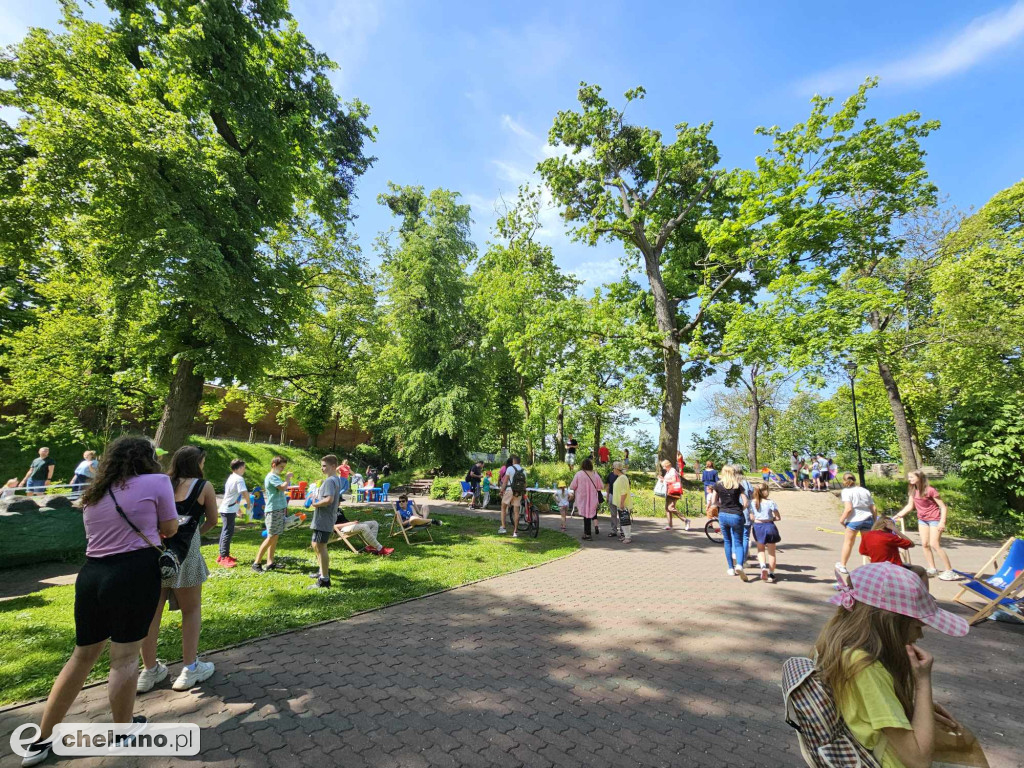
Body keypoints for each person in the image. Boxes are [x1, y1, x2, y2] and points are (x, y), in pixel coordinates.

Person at [18, 437, 177, 767]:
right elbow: (170, 528)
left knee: (81, 656)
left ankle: (40, 739)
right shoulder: (158, 482)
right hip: (133, 573)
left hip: (91, 575)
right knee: (124, 657)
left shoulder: (94, 492)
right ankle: (123, 731)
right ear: (147, 458)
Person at [814, 562, 969, 768]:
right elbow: (919, 760)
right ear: (890, 623)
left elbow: (866, 710)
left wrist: (913, 710)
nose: (920, 635)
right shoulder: (866, 668)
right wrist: (923, 682)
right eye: (917, 626)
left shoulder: (841, 646)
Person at [138, 445, 218, 694]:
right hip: (186, 555)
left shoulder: (161, 483)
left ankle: (149, 669)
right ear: (198, 463)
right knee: (191, 610)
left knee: (152, 614)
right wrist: (195, 535)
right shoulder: (203, 487)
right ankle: (189, 667)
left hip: (157, 551)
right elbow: (213, 520)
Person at [895, 471, 957, 581]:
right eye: (909, 477)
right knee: (924, 544)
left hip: (934, 519)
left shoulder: (930, 490)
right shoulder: (913, 490)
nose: (909, 479)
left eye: (912, 477)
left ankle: (949, 571)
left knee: (934, 544)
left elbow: (943, 507)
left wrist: (942, 522)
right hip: (922, 520)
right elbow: (910, 506)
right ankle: (932, 568)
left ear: (919, 477)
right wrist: (898, 516)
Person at [708, 464, 749, 580]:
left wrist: (722, 506)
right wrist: (741, 509)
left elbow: (713, 501)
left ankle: (731, 567)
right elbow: (746, 502)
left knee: (727, 541)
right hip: (736, 515)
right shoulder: (738, 485)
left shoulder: (717, 485)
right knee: (738, 542)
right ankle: (740, 565)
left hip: (723, 515)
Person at [306, 455, 341, 589]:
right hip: (325, 518)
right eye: (321, 465)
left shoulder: (330, 481)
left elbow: (329, 500)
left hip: (324, 519)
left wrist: (315, 504)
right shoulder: (335, 480)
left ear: (333, 466)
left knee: (320, 546)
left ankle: (324, 580)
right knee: (316, 544)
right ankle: (322, 571)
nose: (322, 468)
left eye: (325, 466)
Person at [252, 456, 292, 572]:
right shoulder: (272, 477)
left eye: (284, 467)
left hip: (278, 510)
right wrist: (288, 478)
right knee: (271, 537)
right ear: (274, 465)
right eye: (281, 467)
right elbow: (283, 487)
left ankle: (270, 562)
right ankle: (257, 563)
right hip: (273, 510)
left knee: (275, 536)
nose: (282, 469)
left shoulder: (276, 476)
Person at [836, 472, 877, 575]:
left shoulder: (846, 492)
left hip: (854, 520)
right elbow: (873, 508)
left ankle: (843, 565)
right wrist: (875, 520)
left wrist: (842, 519)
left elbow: (848, 508)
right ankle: (875, 565)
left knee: (848, 543)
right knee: (867, 544)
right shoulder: (864, 490)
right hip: (868, 519)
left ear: (844, 481)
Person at [217, 459, 250, 568]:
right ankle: (224, 557)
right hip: (228, 510)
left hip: (227, 509)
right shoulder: (239, 479)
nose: (244, 469)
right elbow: (244, 493)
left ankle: (222, 555)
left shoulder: (231, 477)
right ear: (239, 468)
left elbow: (233, 496)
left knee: (225, 531)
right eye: (244, 467)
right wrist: (249, 504)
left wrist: (238, 510)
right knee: (228, 532)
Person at [749, 483, 782, 583]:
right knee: (772, 552)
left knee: (760, 549)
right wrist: (770, 518)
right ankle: (771, 573)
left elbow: (751, 517)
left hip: (758, 527)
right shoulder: (771, 502)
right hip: (769, 526)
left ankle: (763, 567)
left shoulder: (752, 503)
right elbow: (778, 517)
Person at [569, 457, 603, 541]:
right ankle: (586, 533)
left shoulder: (579, 474)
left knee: (586, 516)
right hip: (593, 498)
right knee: (588, 515)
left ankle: (588, 534)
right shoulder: (595, 474)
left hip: (582, 498)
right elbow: (600, 486)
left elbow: (572, 486)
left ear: (583, 465)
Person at [660, 459, 689, 532]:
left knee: (671, 507)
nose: (663, 468)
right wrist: (662, 479)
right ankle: (670, 525)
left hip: (674, 492)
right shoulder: (668, 471)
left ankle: (685, 520)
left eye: (663, 466)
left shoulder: (672, 470)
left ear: (667, 465)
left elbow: (674, 480)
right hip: (669, 491)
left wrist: (665, 480)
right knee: (667, 508)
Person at [499, 456, 526, 537]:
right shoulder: (523, 471)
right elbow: (525, 484)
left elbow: (505, 482)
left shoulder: (510, 468)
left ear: (514, 461)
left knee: (503, 507)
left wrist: (501, 491)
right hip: (518, 492)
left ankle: (503, 527)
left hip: (509, 490)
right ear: (519, 462)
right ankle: (515, 532)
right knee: (516, 511)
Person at [611, 461, 633, 544]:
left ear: (617, 469)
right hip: (620, 503)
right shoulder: (620, 477)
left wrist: (622, 503)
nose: (612, 470)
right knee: (622, 520)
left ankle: (628, 537)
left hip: (623, 503)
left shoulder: (623, 478)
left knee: (625, 520)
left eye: (613, 468)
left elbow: (624, 492)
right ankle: (625, 536)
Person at [604, 461, 619, 538]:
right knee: (613, 514)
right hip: (612, 495)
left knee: (621, 514)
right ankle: (614, 530)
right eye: (616, 467)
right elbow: (608, 486)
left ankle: (623, 532)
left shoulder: (622, 476)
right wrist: (607, 495)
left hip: (619, 496)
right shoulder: (610, 475)